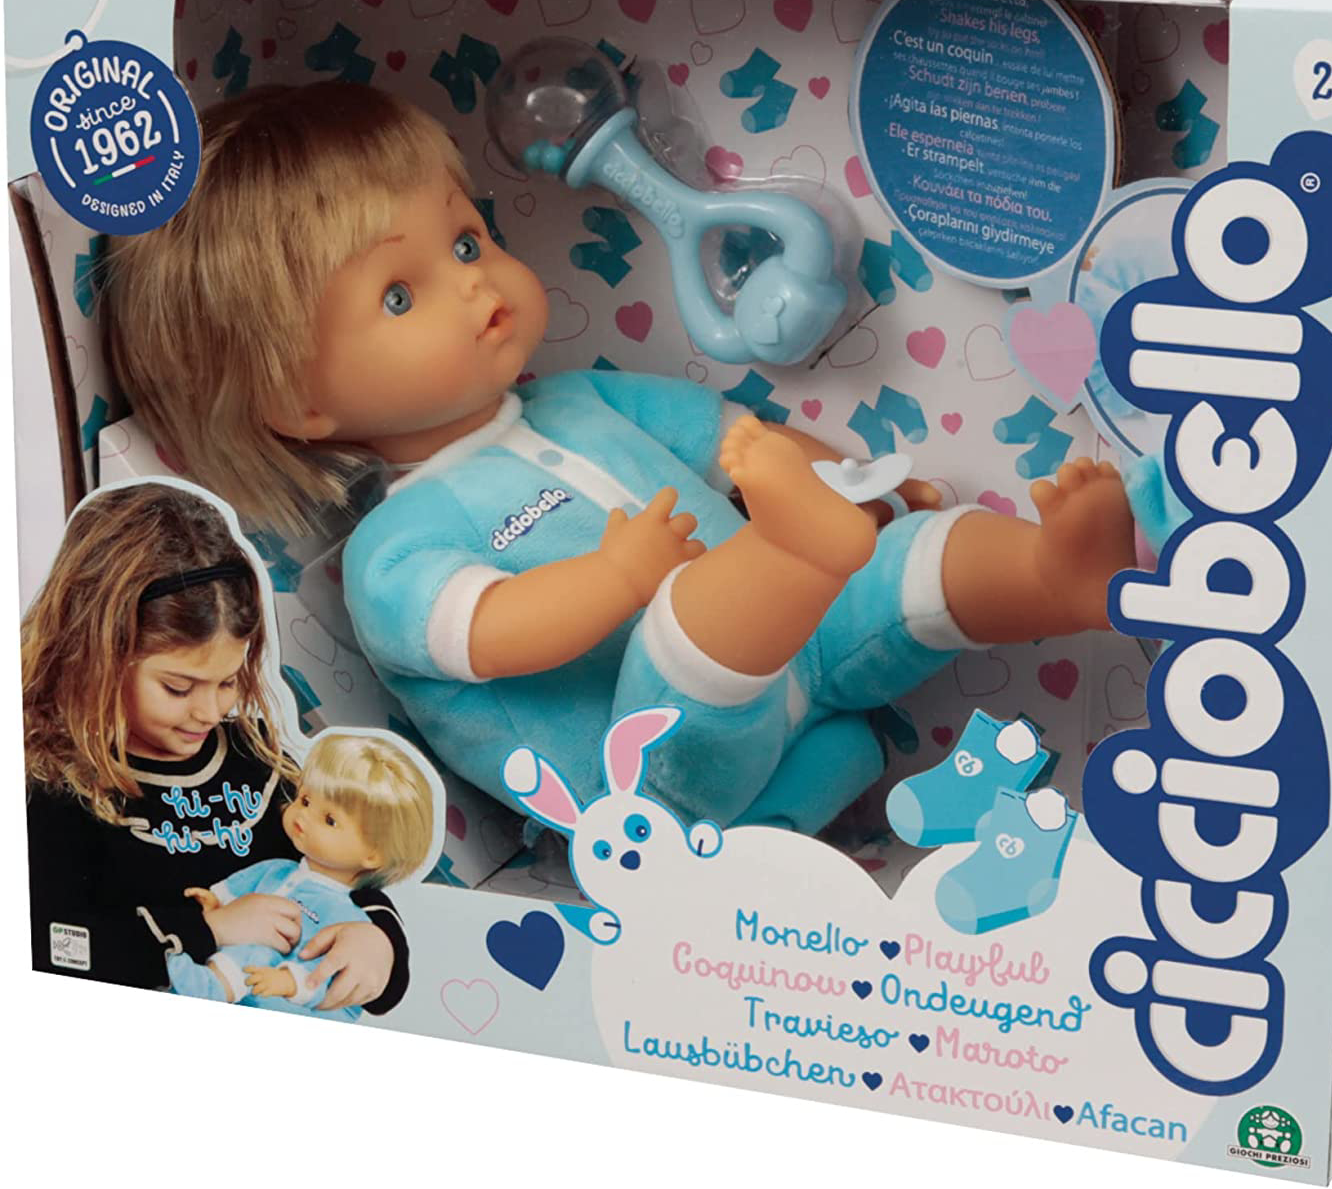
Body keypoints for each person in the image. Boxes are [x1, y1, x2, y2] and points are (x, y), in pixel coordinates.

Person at [103, 82, 1137, 834]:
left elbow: (739, 444)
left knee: (909, 562)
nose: (475, 282)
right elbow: (494, 633)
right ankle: (799, 552)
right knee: (695, 612)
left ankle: (1054, 575)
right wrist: (616, 579)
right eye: (401, 294)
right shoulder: (393, 550)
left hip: (798, 661)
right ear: (302, 401)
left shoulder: (583, 397)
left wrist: (854, 485)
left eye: (466, 242)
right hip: (651, 766)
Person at [24, 481, 410, 1013]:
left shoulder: (255, 758)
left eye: (228, 681)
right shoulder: (50, 784)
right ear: (97, 655)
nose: (209, 712)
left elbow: (338, 867)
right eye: (178, 688)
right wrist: (209, 928)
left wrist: (379, 939)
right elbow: (47, 949)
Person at [169, 732, 434, 1021]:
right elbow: (237, 892)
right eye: (305, 800)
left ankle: (205, 986)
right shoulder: (277, 868)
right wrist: (215, 903)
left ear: (373, 854)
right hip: (241, 977)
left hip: (283, 999)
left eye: (329, 820)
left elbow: (328, 969)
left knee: (256, 955)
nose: (303, 816)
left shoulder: (347, 912)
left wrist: (290, 980)